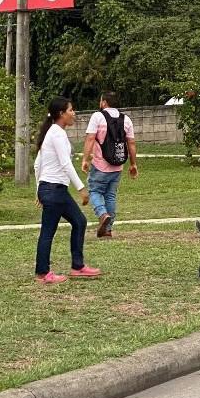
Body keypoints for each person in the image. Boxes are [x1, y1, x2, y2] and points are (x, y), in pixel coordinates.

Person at [35, 96, 102, 284]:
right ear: (61, 113)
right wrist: (81, 188)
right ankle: (43, 273)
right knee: (49, 231)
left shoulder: (53, 132)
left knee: (79, 221)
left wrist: (39, 191)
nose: (74, 113)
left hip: (53, 190)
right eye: (71, 110)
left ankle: (77, 266)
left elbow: (38, 164)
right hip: (54, 190)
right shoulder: (56, 134)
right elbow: (65, 164)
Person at [81, 91, 138, 239]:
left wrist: (85, 159)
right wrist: (133, 164)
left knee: (95, 191)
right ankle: (107, 229)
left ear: (104, 102)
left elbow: (90, 138)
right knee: (110, 196)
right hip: (117, 166)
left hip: (100, 164)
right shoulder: (126, 119)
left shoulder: (97, 116)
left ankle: (102, 214)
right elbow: (131, 143)